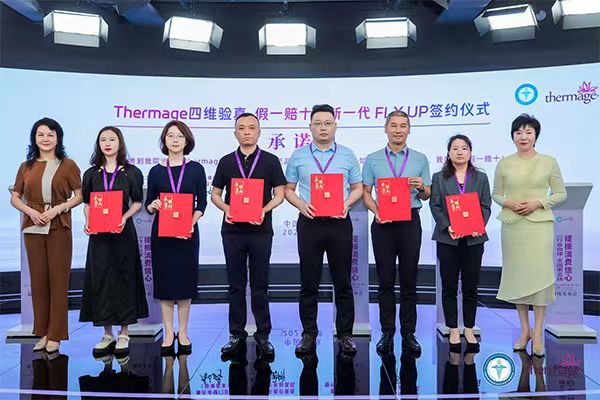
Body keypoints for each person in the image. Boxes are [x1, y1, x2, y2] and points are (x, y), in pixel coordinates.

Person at [285, 104, 363, 356]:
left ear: (335, 126)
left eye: (328, 123)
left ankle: (345, 334)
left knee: (343, 281)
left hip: (339, 222)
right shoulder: (298, 155)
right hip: (310, 222)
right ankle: (309, 333)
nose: (323, 128)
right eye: (317, 123)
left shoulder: (347, 155)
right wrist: (301, 205)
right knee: (309, 281)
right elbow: (288, 189)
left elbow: (358, 188)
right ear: (310, 127)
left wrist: (346, 204)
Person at [211, 113, 286, 360]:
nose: (246, 132)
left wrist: (263, 210)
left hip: (260, 231)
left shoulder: (270, 160)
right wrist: (227, 209)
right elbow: (215, 194)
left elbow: (279, 194)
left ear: (259, 132)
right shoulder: (226, 162)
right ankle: (236, 334)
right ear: (235, 133)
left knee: (260, 285)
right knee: (235, 285)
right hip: (232, 231)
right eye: (241, 128)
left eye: (252, 128)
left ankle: (263, 335)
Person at [493, 114, 566, 357]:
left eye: (528, 132)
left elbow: (560, 193)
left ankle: (538, 333)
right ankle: (524, 330)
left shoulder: (548, 162)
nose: (523, 136)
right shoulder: (504, 163)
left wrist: (538, 203)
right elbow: (496, 194)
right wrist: (509, 203)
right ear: (512, 137)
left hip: (539, 226)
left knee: (539, 276)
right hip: (513, 226)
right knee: (518, 277)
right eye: (518, 132)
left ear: (536, 136)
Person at [10, 117, 83, 354]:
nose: (46, 139)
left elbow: (80, 195)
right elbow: (15, 197)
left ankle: (56, 335)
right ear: (34, 138)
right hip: (33, 228)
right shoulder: (26, 166)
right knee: (39, 282)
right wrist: (31, 211)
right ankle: (42, 332)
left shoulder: (68, 165)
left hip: (59, 227)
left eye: (51, 134)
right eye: (41, 134)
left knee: (58, 281)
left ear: (58, 138)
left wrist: (58, 209)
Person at [362, 111, 431, 356]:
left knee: (409, 279)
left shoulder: (420, 159)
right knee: (385, 280)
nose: (398, 130)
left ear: (409, 130)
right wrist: (376, 211)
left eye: (403, 126)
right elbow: (366, 192)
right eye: (394, 125)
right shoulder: (373, 159)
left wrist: (421, 187)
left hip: (410, 221)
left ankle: (409, 332)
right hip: (383, 222)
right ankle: (387, 331)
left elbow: (427, 194)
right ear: (386, 128)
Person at [80, 126, 149, 358]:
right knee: (101, 279)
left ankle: (124, 333)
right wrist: (88, 221)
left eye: (112, 139)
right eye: (103, 139)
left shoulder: (131, 172)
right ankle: (107, 333)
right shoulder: (91, 174)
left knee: (124, 277)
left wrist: (124, 217)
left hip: (122, 232)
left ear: (120, 143)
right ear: (98, 144)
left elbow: (137, 202)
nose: (107, 143)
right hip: (99, 235)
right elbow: (88, 203)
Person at [145, 120, 207, 356]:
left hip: (187, 234)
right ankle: (169, 332)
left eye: (180, 136)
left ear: (187, 140)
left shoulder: (196, 169)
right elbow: (149, 204)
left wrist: (191, 222)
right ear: (164, 140)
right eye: (170, 135)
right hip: (162, 235)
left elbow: (202, 202)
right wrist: (153, 205)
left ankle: (183, 331)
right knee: (165, 283)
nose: (175, 140)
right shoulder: (155, 171)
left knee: (184, 283)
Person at [430, 134, 491, 354]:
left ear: (470, 152)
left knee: (470, 286)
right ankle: (453, 328)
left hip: (474, 240)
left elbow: (486, 206)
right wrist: (447, 226)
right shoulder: (439, 177)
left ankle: (469, 328)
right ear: (448, 153)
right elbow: (435, 206)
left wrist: (478, 225)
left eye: (464, 148)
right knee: (448, 286)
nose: (459, 152)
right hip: (448, 239)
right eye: (455, 148)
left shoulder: (480, 178)